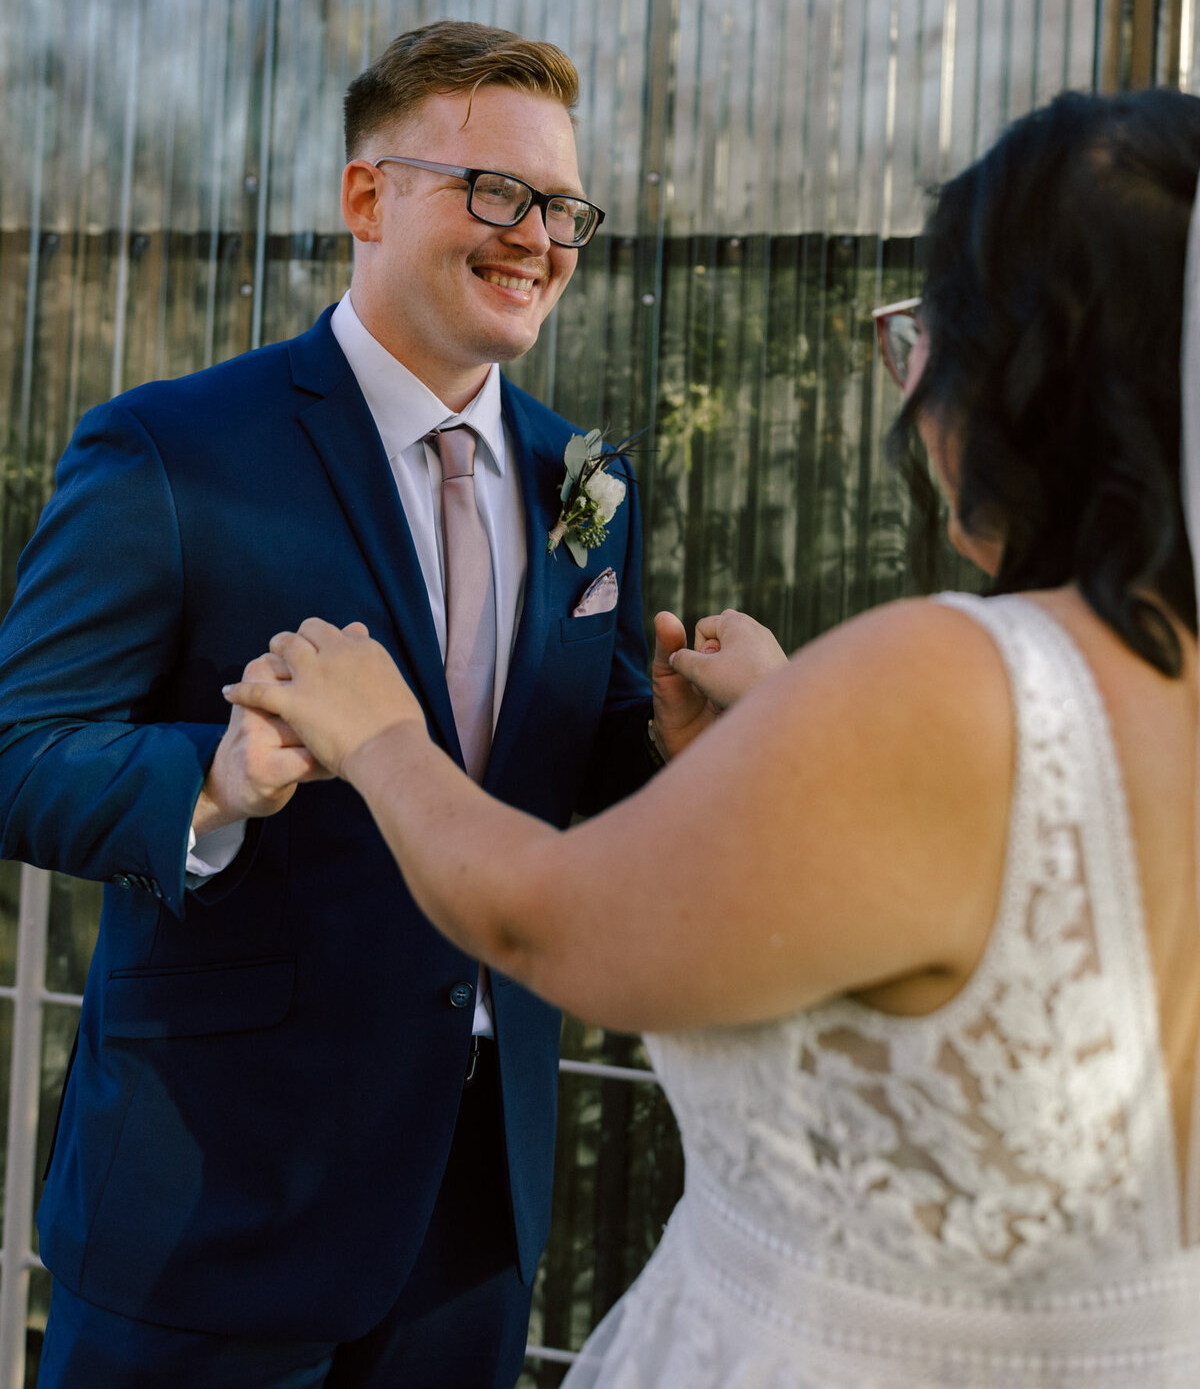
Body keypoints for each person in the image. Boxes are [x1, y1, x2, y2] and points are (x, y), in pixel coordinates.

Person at [229, 86, 1200, 1387]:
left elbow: (546, 924)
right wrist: (793, 725)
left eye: (928, 338)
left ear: (1028, 372)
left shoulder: (951, 672)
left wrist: (382, 735)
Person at [0, 21, 710, 1389]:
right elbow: (21, 748)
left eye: (565, 207)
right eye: (495, 192)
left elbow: (565, 756)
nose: (539, 238)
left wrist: (669, 738)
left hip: (470, 1216)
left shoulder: (588, 484)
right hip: (210, 1205)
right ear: (366, 198)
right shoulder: (171, 450)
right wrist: (216, 777)